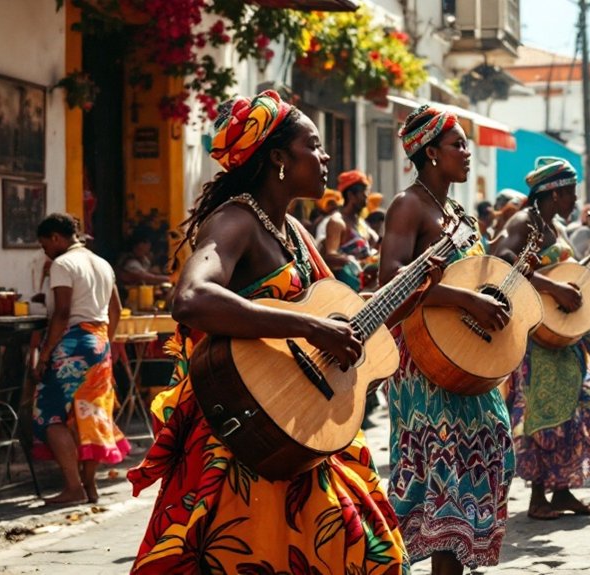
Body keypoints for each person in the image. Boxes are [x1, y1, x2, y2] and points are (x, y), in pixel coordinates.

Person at [127, 91, 410, 574]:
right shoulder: (234, 221)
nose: (325, 158)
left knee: (367, 551)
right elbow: (192, 297)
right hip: (245, 437)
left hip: (304, 423)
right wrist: (310, 327)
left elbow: (336, 317)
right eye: (314, 146)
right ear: (278, 157)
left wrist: (414, 290)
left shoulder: (295, 233)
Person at [380, 104, 514, 575]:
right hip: (424, 363)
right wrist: (469, 302)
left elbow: (477, 277)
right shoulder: (408, 205)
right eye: (458, 144)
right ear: (431, 153)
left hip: (467, 358)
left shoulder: (459, 212)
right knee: (444, 473)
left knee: (492, 448)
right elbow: (391, 277)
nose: (467, 152)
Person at [493, 157, 590, 520]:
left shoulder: (558, 228)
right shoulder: (523, 222)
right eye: (571, 194)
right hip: (536, 338)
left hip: (566, 338)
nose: (576, 201)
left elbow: (575, 280)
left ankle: (562, 493)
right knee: (543, 414)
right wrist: (552, 288)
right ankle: (538, 499)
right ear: (553, 193)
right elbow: (503, 263)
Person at [33, 213, 129, 505]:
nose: (45, 252)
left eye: (44, 244)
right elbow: (116, 310)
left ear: (55, 238)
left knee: (49, 414)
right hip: (98, 343)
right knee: (90, 413)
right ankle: (89, 486)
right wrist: (104, 343)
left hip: (72, 343)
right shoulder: (102, 263)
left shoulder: (62, 264)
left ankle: (73, 486)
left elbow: (62, 313)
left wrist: (45, 354)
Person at [321, 169, 379, 292]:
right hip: (345, 292)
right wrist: (349, 260)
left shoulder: (362, 223)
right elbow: (330, 255)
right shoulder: (337, 222)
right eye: (364, 192)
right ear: (351, 195)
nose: (367, 197)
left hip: (366, 289)